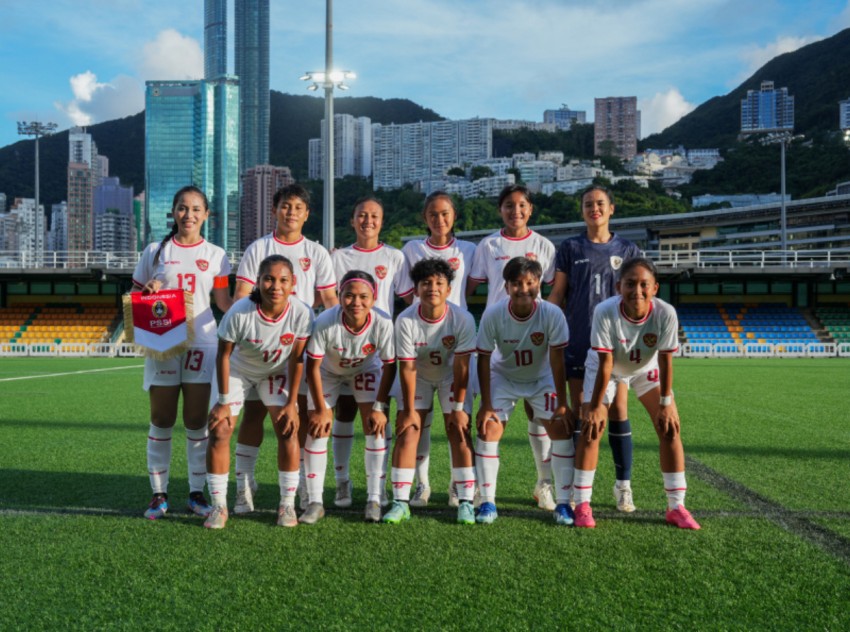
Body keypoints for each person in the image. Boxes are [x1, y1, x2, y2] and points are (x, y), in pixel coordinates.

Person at [231, 184, 337, 514]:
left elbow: (330, 299)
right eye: (285, 206)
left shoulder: (316, 252)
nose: (291, 212)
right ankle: (244, 484)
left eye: (297, 207)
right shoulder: (258, 248)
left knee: (297, 418)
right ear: (274, 209)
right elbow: (241, 296)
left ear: (307, 214)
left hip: (297, 349)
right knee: (252, 414)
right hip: (257, 347)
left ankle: (303, 488)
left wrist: (337, 339)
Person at [574, 257, 700, 530]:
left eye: (644, 284)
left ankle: (676, 506)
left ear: (655, 288)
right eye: (630, 284)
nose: (637, 291)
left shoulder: (665, 313)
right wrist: (595, 405)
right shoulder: (605, 311)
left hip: (645, 369)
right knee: (592, 428)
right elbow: (606, 362)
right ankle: (582, 504)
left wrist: (666, 403)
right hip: (605, 368)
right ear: (619, 286)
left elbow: (666, 360)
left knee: (669, 428)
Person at [132, 185, 232, 520]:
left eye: (195, 209)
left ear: (207, 215)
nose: (188, 215)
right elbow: (136, 294)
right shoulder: (154, 252)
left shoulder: (218, 255)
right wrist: (148, 291)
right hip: (162, 339)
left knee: (195, 421)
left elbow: (223, 304)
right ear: (173, 212)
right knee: (161, 418)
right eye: (182, 208)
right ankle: (158, 495)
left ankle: (194, 493)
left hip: (202, 342)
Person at [547, 185, 641, 512]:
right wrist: (547, 325)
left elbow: (638, 296)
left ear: (612, 209)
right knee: (582, 412)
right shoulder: (571, 247)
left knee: (617, 411)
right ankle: (576, 486)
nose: (594, 208)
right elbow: (558, 294)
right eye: (588, 204)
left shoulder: (628, 249)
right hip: (579, 340)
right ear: (582, 210)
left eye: (600, 203)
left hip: (617, 347)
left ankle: (623, 486)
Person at [203, 255, 313, 529]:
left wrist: (291, 403)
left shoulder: (302, 312)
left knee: (287, 428)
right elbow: (223, 356)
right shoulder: (239, 311)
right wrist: (224, 402)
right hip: (239, 370)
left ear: (293, 284)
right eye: (269, 279)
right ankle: (219, 505)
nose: (275, 286)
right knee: (220, 428)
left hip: (275, 372)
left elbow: (297, 359)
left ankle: (286, 504)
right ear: (258, 282)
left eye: (283, 280)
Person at [468, 184, 558, 512]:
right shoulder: (488, 245)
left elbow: (552, 291)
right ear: (500, 209)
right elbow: (471, 288)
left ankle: (543, 485)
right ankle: (483, 490)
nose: (515, 210)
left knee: (540, 415)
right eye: (509, 205)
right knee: (490, 416)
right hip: (498, 340)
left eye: (521, 205)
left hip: (536, 340)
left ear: (530, 209)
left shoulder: (544, 246)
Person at [475, 257, 576, 525]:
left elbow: (557, 359)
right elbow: (483, 359)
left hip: (540, 378)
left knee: (561, 429)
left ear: (538, 284)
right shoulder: (494, 314)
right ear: (506, 287)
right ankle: (487, 501)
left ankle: (564, 504)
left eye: (530, 283)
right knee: (489, 428)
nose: (524, 289)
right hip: (504, 377)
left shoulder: (552, 314)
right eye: (516, 283)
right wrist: (486, 404)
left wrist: (562, 403)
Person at [398, 191, 478, 508]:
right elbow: (407, 293)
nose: (439, 219)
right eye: (433, 214)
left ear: (454, 216)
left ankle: (459, 487)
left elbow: (468, 287)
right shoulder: (411, 249)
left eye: (445, 213)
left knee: (457, 420)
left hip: (456, 339)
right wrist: (424, 318)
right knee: (419, 421)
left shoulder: (469, 249)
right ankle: (422, 484)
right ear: (425, 217)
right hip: (421, 339)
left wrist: (446, 315)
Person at [382, 258, 477, 525]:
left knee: (459, 429)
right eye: (426, 283)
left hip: (451, 377)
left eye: (439, 283)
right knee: (408, 430)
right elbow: (408, 367)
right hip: (419, 376)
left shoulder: (462, 319)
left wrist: (458, 409)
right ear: (416, 289)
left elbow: (461, 367)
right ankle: (400, 502)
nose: (432, 288)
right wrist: (410, 411)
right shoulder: (405, 319)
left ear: (449, 289)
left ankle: (466, 501)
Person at [329, 197, 406, 509]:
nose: (368, 221)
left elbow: (406, 299)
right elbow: (328, 299)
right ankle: (342, 482)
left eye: (374, 215)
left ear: (382, 220)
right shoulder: (338, 257)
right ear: (352, 220)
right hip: (340, 346)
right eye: (362, 215)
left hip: (377, 349)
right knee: (343, 415)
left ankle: (378, 488)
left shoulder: (395, 257)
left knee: (376, 419)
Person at [303, 270, 396, 524]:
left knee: (375, 426)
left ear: (374, 298)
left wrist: (379, 406)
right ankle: (315, 500)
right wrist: (321, 408)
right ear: (340, 296)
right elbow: (312, 366)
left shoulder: (383, 322)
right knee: (318, 427)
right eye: (349, 296)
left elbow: (390, 365)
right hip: (328, 371)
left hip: (365, 368)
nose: (356, 302)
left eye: (363, 296)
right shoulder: (325, 321)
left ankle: (374, 498)